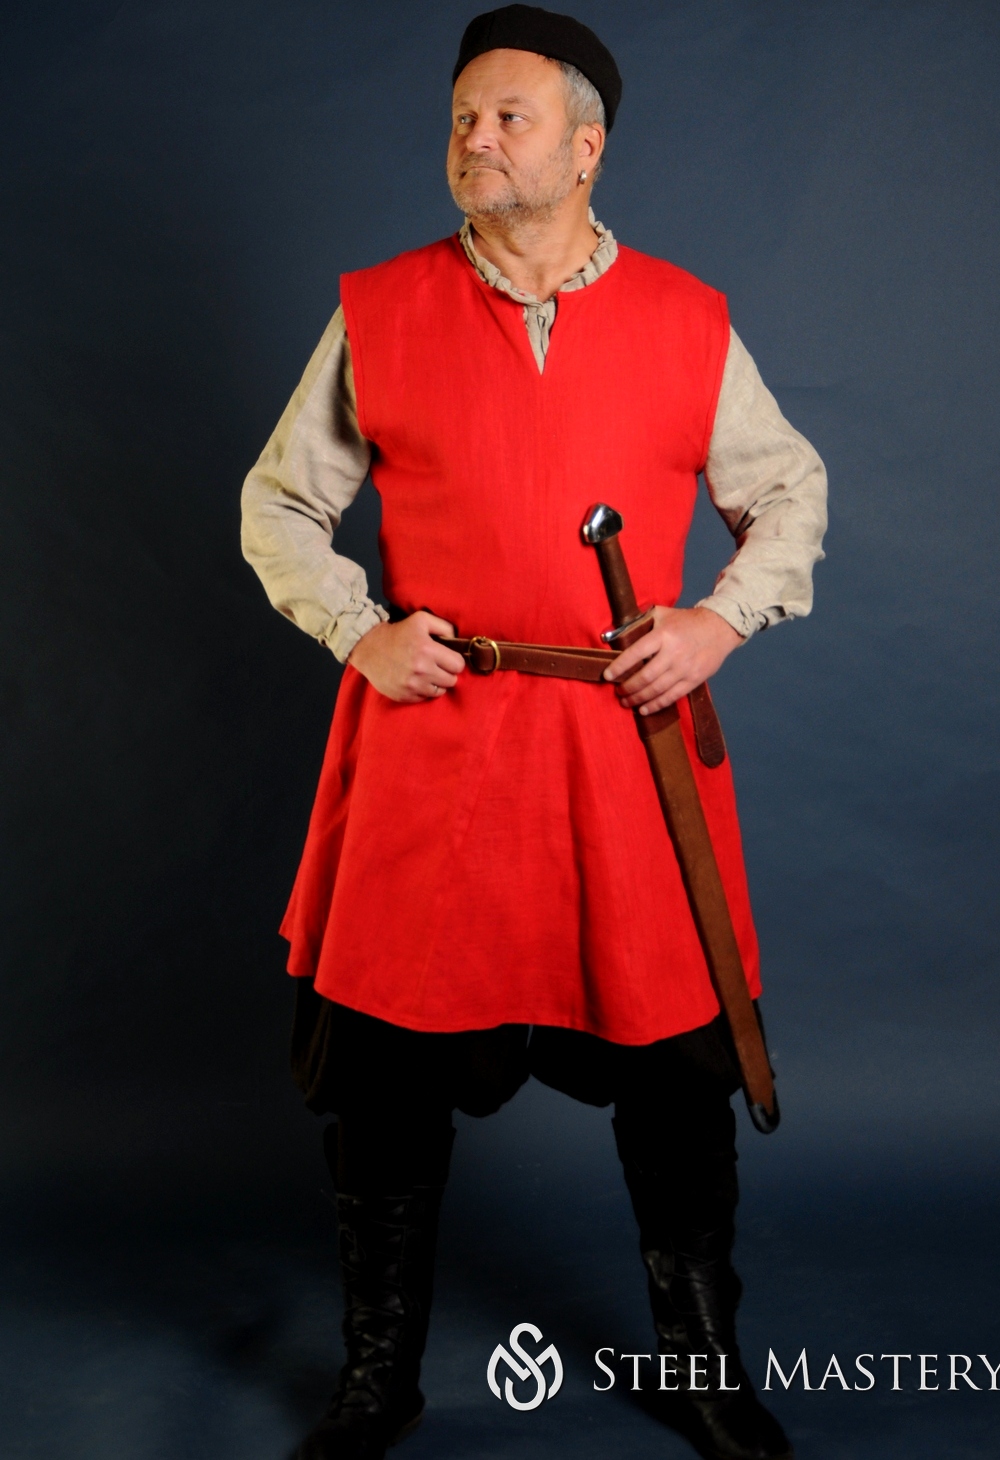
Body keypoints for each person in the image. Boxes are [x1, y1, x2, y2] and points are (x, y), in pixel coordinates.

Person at [241, 7, 827, 1458]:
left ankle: (702, 1372)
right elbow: (281, 503)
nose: (476, 138)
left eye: (508, 116)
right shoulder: (383, 309)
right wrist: (359, 630)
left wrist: (717, 624)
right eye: (462, 116)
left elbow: (788, 491)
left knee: (676, 1075)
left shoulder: (687, 317)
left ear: (586, 146)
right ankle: (377, 1377)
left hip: (625, 749)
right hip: (435, 743)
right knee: (385, 1080)